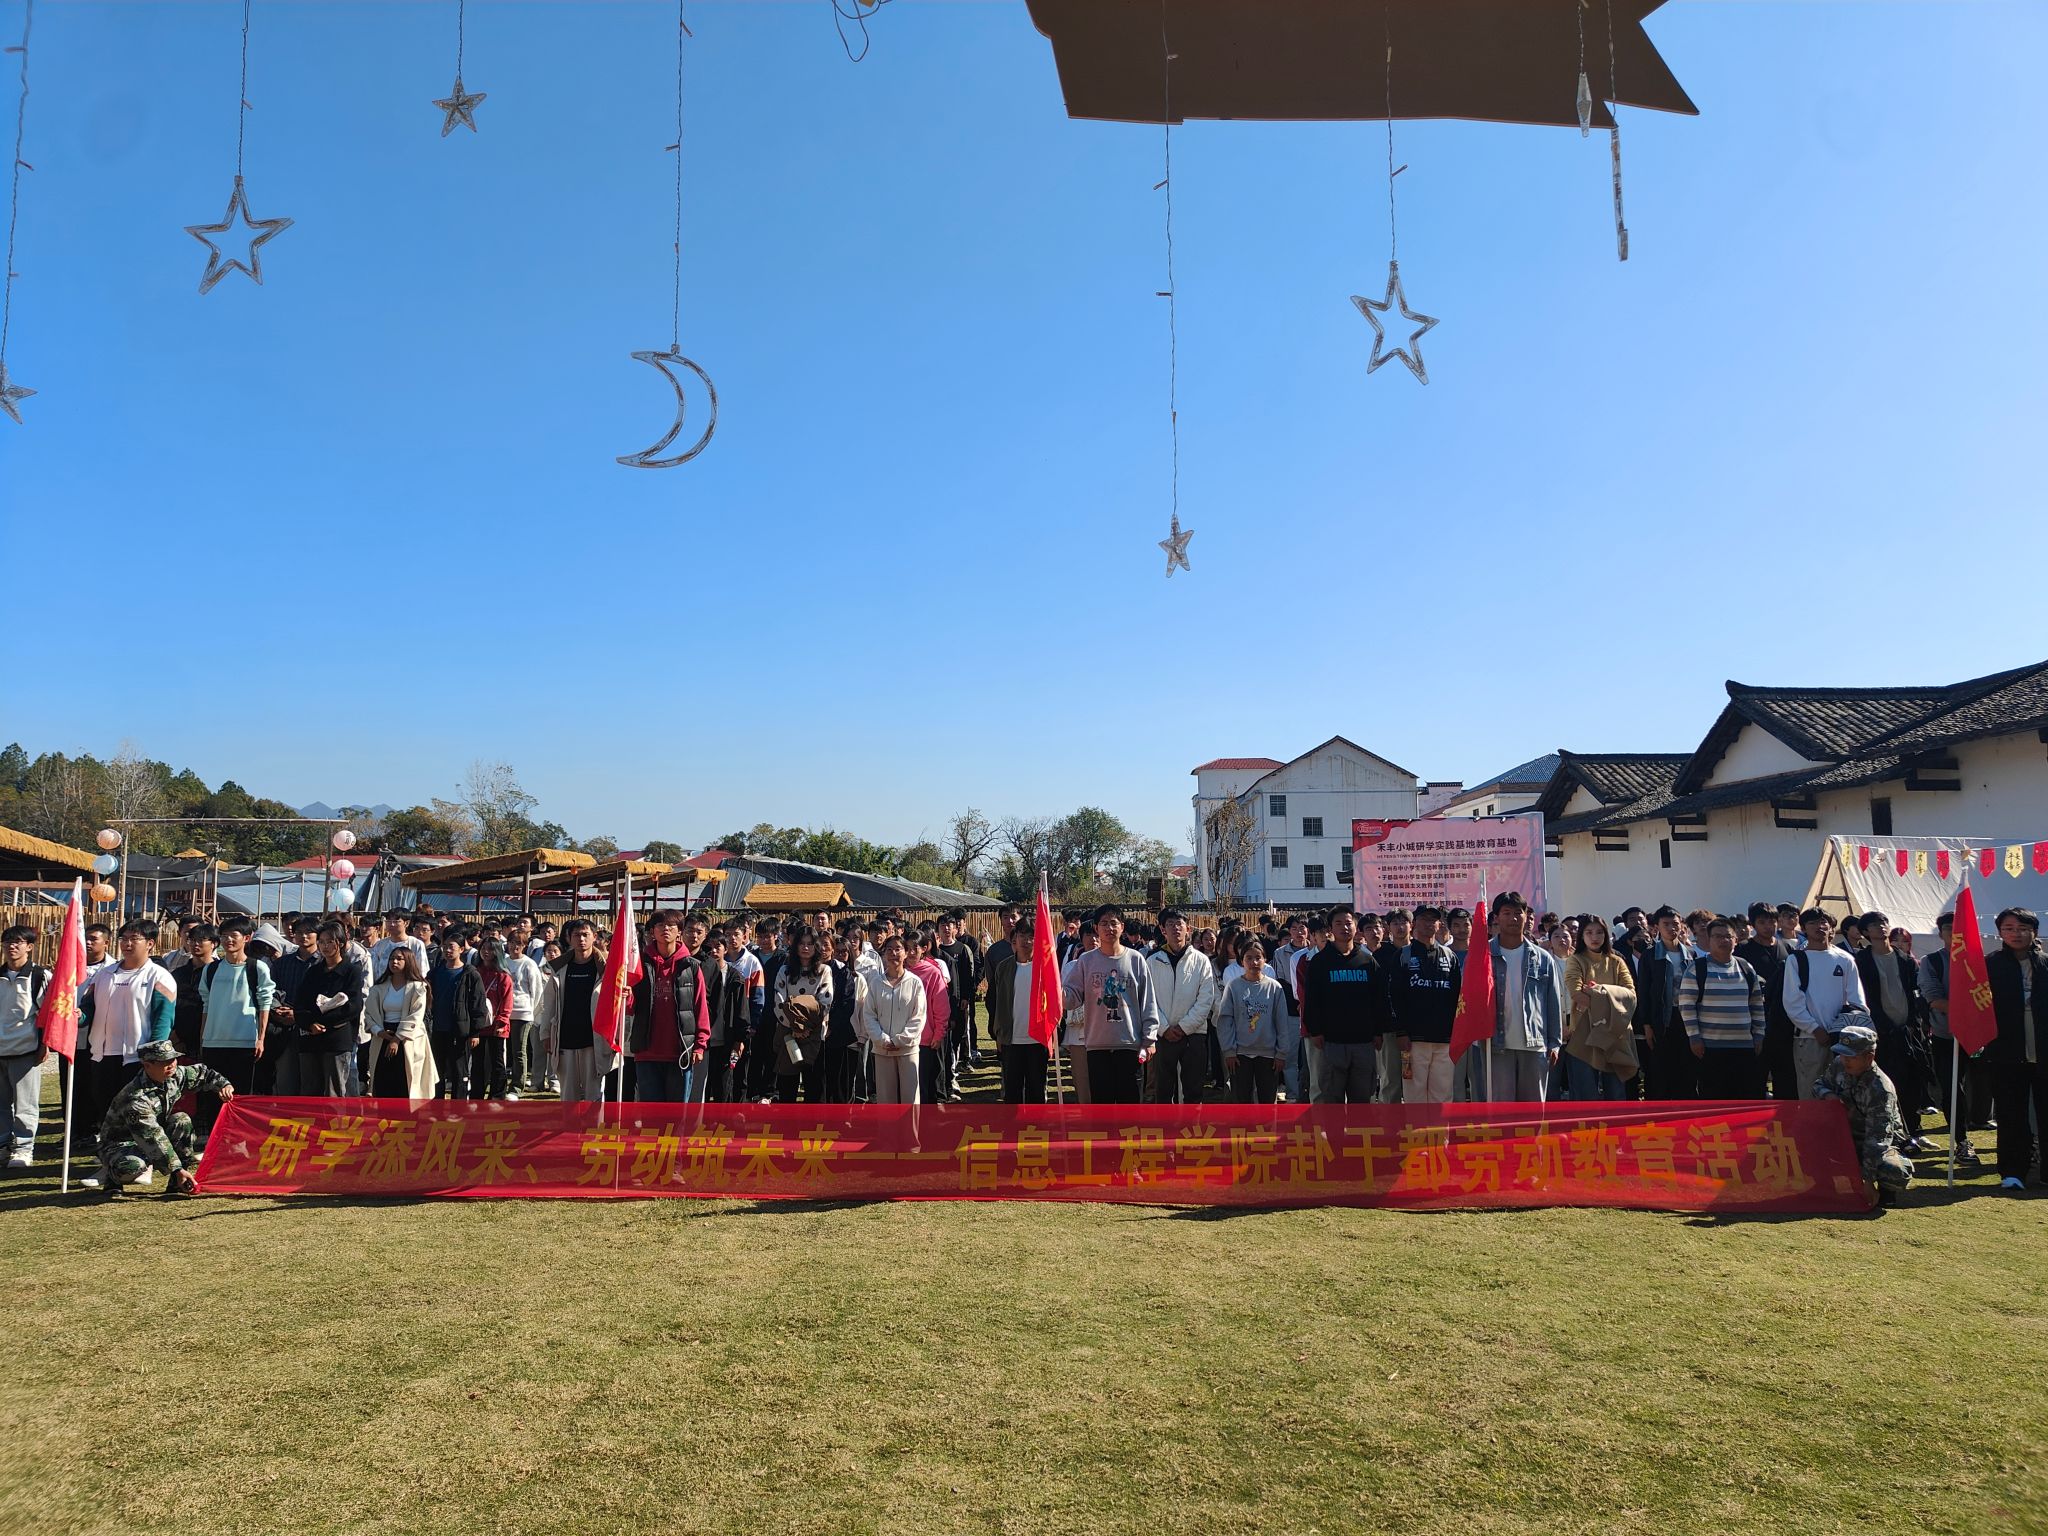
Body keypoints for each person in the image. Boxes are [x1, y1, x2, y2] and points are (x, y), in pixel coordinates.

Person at [95, 1038, 236, 1197]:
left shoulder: (174, 1075)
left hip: (152, 1136)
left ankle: (177, 1182)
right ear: (147, 1065)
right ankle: (112, 1178)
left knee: (181, 1120)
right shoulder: (135, 1098)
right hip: (122, 1145)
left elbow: (204, 1074)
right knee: (131, 1167)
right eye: (164, 1062)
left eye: (173, 1059)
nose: (171, 1065)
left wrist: (224, 1085)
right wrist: (176, 1169)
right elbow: (152, 1136)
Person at [80, 920, 178, 1141]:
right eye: (123, 938)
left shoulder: (159, 976)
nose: (127, 944)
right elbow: (88, 1008)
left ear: (150, 943)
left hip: (138, 1058)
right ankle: (110, 1155)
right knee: (106, 1109)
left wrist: (154, 1055)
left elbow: (163, 1020)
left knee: (136, 1111)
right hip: (103, 1055)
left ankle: (140, 1155)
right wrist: (78, 1016)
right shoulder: (104, 974)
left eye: (134, 939)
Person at [1058, 906, 1161, 1104]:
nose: (1109, 928)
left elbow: (1148, 1001)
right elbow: (1071, 999)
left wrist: (1149, 1039)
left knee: (1129, 1105)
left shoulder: (1136, 960)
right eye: (1104, 923)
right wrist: (1055, 990)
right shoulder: (1086, 961)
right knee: (1101, 1107)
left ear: (1122, 927)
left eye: (1114, 923)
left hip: (1129, 1044)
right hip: (1097, 1046)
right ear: (1096, 928)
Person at [1853, 909, 1931, 1148]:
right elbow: (1863, 997)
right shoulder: (1861, 961)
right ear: (1865, 932)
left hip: (1909, 1032)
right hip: (1881, 1032)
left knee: (1912, 1082)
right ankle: (1892, 1132)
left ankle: (1912, 1130)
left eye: (1884, 922)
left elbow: (1917, 993)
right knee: (1886, 1083)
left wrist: (1916, 1024)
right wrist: (1882, 1024)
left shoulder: (1905, 959)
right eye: (1874, 925)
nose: (1881, 927)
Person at [1984, 905, 2048, 1192]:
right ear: (2000, 932)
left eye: (2023, 928)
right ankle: (2013, 1171)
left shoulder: (2045, 963)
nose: (2016, 934)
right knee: (2011, 1112)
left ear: (2034, 931)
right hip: (2006, 1049)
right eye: (2009, 928)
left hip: (2043, 1046)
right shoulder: (1991, 964)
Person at [1813, 1023, 1914, 1206]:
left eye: (1851, 1056)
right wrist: (1829, 1095)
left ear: (1869, 1057)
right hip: (1843, 1136)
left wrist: (1867, 1181)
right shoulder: (1839, 1065)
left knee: (1894, 1171)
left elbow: (1877, 1140)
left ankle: (1885, 1192)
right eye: (1842, 1054)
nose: (1845, 1060)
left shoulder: (1880, 1089)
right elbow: (1819, 1085)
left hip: (1876, 1143)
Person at [1300, 908, 1388, 1105]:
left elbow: (1378, 999)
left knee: (1362, 1100)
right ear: (1330, 929)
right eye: (1338, 923)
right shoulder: (1320, 962)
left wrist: (1378, 1031)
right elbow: (1312, 1000)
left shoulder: (1367, 961)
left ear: (1356, 927)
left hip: (1364, 1043)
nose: (1344, 928)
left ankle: (1358, 1128)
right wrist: (1315, 1031)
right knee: (1331, 1101)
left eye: (1348, 923)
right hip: (1331, 1043)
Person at [194, 915, 274, 1131]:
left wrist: (261, 1038)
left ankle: (239, 1137)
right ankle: (215, 1138)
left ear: (247, 938)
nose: (228, 940)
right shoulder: (211, 969)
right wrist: (203, 1036)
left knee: (240, 1096)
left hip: (245, 1042)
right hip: (213, 1042)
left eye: (233, 935)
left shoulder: (257, 968)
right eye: (224, 935)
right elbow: (206, 1004)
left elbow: (265, 1004)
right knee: (213, 1095)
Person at [1782, 909, 1867, 1101]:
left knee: (1846, 1093)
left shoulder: (1845, 959)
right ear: (1803, 928)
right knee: (1811, 1092)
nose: (1819, 927)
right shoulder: (1796, 959)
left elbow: (1857, 1000)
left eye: (1823, 922)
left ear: (1831, 927)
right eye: (1812, 923)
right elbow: (1792, 1002)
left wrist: (1849, 1030)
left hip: (1844, 1039)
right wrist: (1814, 1028)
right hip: (1809, 1038)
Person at [1678, 919, 1767, 1099]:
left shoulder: (1746, 967)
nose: (1723, 940)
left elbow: (1756, 1004)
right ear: (1709, 939)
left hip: (1744, 1047)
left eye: (1728, 936)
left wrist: (1759, 1034)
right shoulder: (1697, 969)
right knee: (1714, 1099)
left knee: (1745, 1098)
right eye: (1717, 936)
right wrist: (1694, 1038)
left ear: (1736, 940)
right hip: (1710, 1048)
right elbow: (1687, 1006)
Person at [1486, 893, 1562, 1102]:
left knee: (1533, 1112)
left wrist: (1554, 1043)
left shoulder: (1542, 958)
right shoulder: (1483, 956)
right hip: (1495, 1046)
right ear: (1496, 918)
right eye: (1506, 913)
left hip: (1534, 1044)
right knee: (1500, 1110)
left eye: (1518, 912)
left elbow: (1553, 1002)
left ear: (1527, 916)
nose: (1513, 918)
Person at [628, 910, 708, 1104]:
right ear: (652, 932)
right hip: (646, 1052)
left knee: (677, 1112)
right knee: (650, 1113)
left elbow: (700, 1007)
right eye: (660, 925)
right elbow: (630, 1008)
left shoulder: (691, 966)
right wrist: (625, 996)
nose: (665, 929)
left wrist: (700, 1044)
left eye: (671, 925)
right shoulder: (639, 964)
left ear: (679, 931)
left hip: (680, 1051)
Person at [538, 919, 617, 1103]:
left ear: (594, 937)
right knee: (568, 1094)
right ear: (569, 938)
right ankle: (569, 1123)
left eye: (585, 935)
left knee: (593, 1094)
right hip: (566, 1037)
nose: (581, 939)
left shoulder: (605, 968)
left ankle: (593, 1122)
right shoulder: (559, 968)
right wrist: (546, 1033)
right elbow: (549, 1003)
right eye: (576, 935)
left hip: (594, 1039)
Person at [1560, 915, 1637, 1101]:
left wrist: (1597, 991)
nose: (1594, 937)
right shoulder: (1576, 960)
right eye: (1589, 932)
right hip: (1584, 1032)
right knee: (1585, 1095)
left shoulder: (1617, 961)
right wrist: (1611, 997)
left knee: (1616, 1094)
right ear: (1581, 936)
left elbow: (1631, 995)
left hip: (1615, 1032)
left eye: (1599, 932)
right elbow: (1576, 993)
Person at [1145, 908, 1216, 1104]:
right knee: (1163, 1089)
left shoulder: (1201, 960)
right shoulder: (1152, 961)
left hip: (1194, 1033)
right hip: (1163, 1034)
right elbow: (1148, 1000)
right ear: (1162, 930)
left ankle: (1192, 1123)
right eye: (1170, 924)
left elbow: (1206, 999)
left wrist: (1184, 1027)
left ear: (1188, 929)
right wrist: (1164, 1028)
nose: (1175, 928)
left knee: (1193, 1088)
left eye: (1179, 924)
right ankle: (1166, 1123)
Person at [1389, 906, 1459, 1104]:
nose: (1429, 924)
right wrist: (1401, 1032)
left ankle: (1439, 1128)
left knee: (1442, 1095)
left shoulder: (1449, 956)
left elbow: (1457, 997)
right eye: (1424, 919)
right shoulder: (1403, 955)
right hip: (1413, 1040)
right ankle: (1415, 1127)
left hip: (1444, 1039)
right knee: (1414, 1095)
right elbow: (1394, 995)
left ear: (1439, 924)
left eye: (1433, 920)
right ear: (1414, 924)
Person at [292, 920, 366, 1098]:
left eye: (330, 942)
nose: (325, 946)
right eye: (321, 942)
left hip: (336, 1039)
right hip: (310, 1038)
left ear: (340, 943)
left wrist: (324, 1021)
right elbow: (300, 1003)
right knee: (309, 1090)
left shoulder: (351, 971)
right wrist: (309, 1024)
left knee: (334, 1091)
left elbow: (354, 1006)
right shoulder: (313, 972)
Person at [0, 926, 50, 1170]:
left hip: (25, 1050)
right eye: (8, 941)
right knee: (1, 1104)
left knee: (25, 1105)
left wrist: (45, 1045)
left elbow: (48, 1013)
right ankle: (3, 1145)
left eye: (18, 942)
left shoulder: (39, 976)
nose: (12, 946)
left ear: (29, 947)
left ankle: (23, 1148)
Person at [1215, 938, 1286, 1104]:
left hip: (1268, 1054)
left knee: (1268, 1101)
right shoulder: (1233, 986)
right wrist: (1229, 1051)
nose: (1254, 962)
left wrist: (1281, 1053)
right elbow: (1225, 1020)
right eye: (1249, 958)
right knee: (1241, 1100)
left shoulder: (1275, 988)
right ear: (1242, 961)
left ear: (1265, 960)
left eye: (1258, 957)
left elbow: (1282, 1022)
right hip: (1240, 1054)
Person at [987, 916, 1049, 1104]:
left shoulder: (1045, 967)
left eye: (1031, 936)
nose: (1026, 941)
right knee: (1012, 1092)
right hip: (1011, 1039)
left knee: (1036, 1091)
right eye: (1022, 935)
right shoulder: (1004, 967)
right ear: (1015, 937)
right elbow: (998, 1003)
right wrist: (998, 1034)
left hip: (1037, 1039)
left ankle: (1035, 1122)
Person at [770, 925, 834, 1104]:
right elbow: (779, 1002)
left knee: (814, 1086)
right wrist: (796, 1027)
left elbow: (825, 1002)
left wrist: (806, 1028)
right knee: (787, 1086)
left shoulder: (824, 971)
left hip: (814, 1035)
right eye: (802, 943)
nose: (806, 948)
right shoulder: (784, 971)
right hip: (789, 1032)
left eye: (810, 944)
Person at [366, 942, 438, 1099]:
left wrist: (397, 1039)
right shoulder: (379, 988)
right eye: (392, 958)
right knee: (382, 1081)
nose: (394, 962)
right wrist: (379, 1032)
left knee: (406, 1082)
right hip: (383, 1035)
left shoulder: (418, 987)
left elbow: (416, 1015)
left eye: (399, 959)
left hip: (408, 1039)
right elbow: (369, 1014)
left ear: (409, 961)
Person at [860, 933, 925, 1105]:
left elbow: (918, 1016)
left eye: (898, 949)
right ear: (883, 954)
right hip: (883, 1050)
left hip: (907, 1050)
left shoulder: (915, 983)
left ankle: (910, 1126)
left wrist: (900, 1040)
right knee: (886, 1100)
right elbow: (869, 1014)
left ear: (906, 953)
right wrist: (882, 1040)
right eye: (889, 950)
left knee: (910, 1100)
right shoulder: (876, 983)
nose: (893, 954)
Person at [471, 936, 515, 1101]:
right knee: (478, 1061)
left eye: (490, 949)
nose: (486, 952)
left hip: (497, 1025)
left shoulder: (503, 976)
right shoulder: (475, 972)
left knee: (497, 1061)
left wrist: (502, 1022)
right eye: (483, 948)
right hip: (478, 1025)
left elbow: (507, 1002)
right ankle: (476, 1094)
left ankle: (497, 1094)